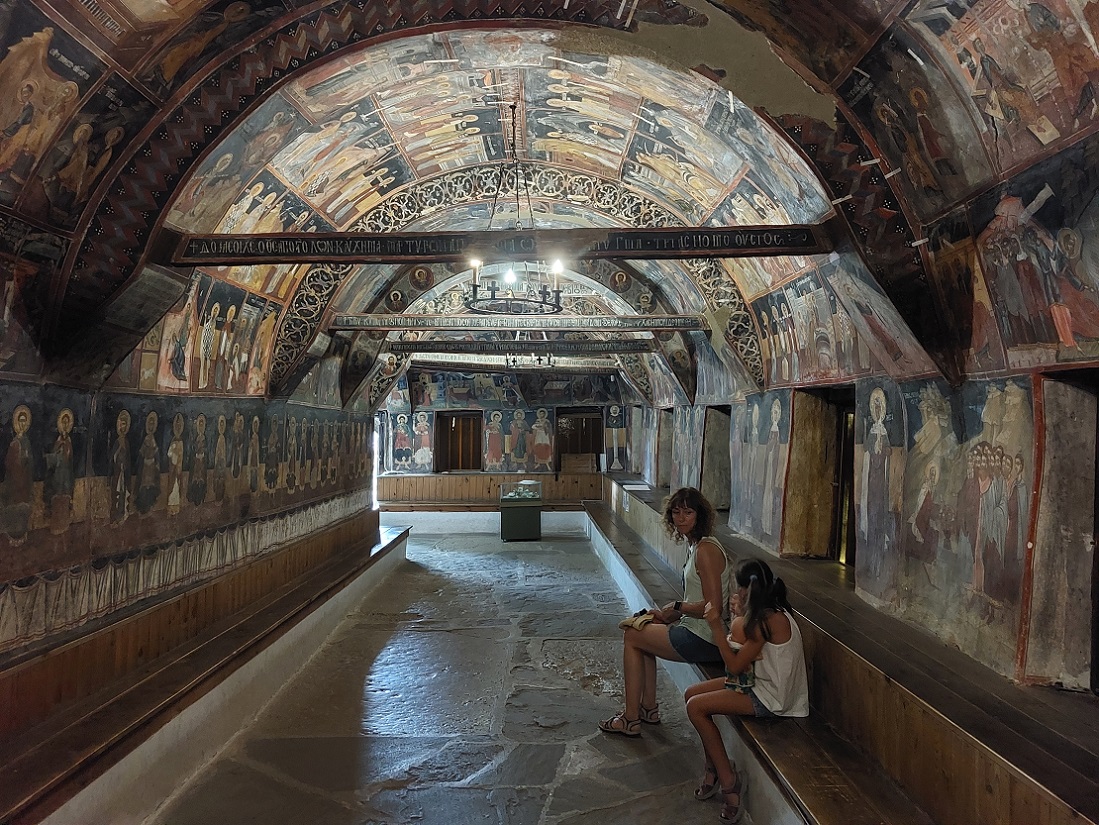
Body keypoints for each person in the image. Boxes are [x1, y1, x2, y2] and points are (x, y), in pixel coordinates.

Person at [598, 487, 733, 737]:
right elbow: (698, 600)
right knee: (641, 626)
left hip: (706, 638)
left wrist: (678, 607)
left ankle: (631, 718)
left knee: (632, 635)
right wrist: (669, 615)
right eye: (676, 512)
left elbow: (714, 606)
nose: (681, 518)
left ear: (700, 515)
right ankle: (647, 709)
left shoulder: (707, 550)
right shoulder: (695, 546)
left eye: (688, 512)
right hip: (694, 629)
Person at [684, 558, 809, 823]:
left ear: (744, 590)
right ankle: (715, 767)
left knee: (695, 707)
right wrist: (739, 619)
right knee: (690, 694)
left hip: (771, 698)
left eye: (735, 587)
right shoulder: (769, 610)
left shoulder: (768, 620)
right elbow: (741, 655)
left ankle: (730, 784)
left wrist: (717, 625)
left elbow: (734, 666)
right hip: (758, 683)